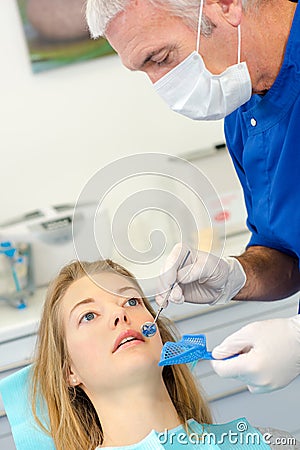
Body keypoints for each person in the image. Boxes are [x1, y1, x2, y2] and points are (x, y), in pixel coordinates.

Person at [85, 0, 300, 394]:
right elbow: (289, 255)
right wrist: (238, 276)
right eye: (143, 71)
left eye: (161, 58)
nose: (161, 86)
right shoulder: (245, 113)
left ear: (225, 5)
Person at [26, 259, 296, 449]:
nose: (121, 314)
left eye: (132, 301)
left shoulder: (263, 443)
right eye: (89, 315)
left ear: (163, 340)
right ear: (68, 371)